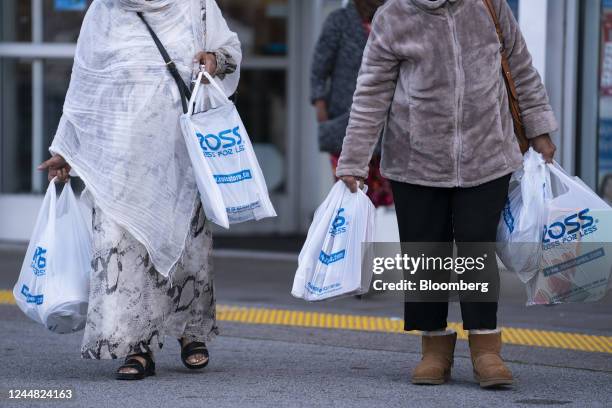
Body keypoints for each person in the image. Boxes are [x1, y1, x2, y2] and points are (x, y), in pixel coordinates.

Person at [337, 0, 557, 387]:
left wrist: (539, 128)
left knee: (477, 250)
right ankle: (434, 348)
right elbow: (371, 91)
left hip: (487, 153)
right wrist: (354, 160)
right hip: (415, 160)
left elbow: (521, 67)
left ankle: (486, 349)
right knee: (426, 254)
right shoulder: (395, 15)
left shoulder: (488, 5)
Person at [38, 0, 241, 380]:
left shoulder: (195, 4)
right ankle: (136, 346)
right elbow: (85, 85)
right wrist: (66, 149)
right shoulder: (105, 10)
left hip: (180, 154)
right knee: (124, 250)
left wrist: (213, 60)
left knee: (186, 247)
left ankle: (190, 332)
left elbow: (230, 52)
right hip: (119, 157)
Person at [311, 0, 393, 207]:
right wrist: (319, 102)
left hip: (389, 120)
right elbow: (319, 67)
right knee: (350, 191)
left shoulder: (394, 19)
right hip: (344, 117)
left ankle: (377, 236)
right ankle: (352, 237)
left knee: (385, 195)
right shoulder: (338, 21)